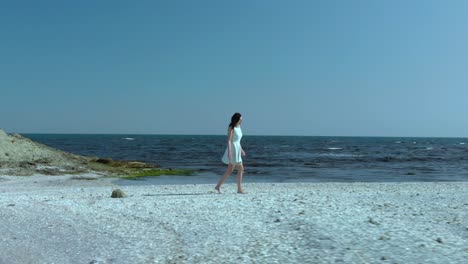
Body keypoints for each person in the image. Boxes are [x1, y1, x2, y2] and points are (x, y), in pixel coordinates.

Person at [215, 113, 246, 194]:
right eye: (240, 119)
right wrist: (229, 151)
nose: (241, 121)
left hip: (238, 148)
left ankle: (238, 188)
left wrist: (241, 149)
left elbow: (238, 140)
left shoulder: (239, 127)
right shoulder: (231, 127)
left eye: (241, 119)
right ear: (237, 119)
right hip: (233, 149)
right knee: (233, 169)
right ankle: (219, 186)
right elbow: (229, 140)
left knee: (238, 169)